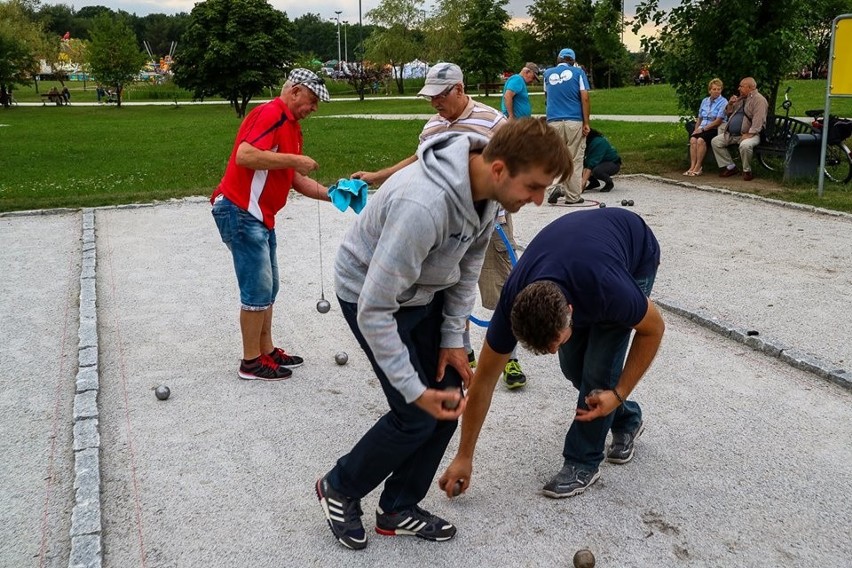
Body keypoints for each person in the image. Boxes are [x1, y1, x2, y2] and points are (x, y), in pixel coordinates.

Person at [316, 118, 572, 550]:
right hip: (372, 296)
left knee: (449, 396)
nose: (538, 199)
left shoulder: (490, 197)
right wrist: (413, 390)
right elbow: (375, 308)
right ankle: (339, 486)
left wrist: (454, 338)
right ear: (499, 168)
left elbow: (466, 268)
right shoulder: (424, 205)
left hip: (422, 292)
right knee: (415, 413)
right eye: (533, 186)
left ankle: (397, 506)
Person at [439, 208, 665, 501]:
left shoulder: (610, 290)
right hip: (581, 257)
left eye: (556, 342)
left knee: (598, 371)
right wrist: (464, 456)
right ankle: (627, 420)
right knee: (573, 367)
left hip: (634, 254)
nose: (552, 351)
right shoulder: (513, 302)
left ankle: (583, 461)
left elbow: (654, 329)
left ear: (570, 311)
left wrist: (619, 392)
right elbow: (482, 383)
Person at [352, 62, 529, 387]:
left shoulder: (493, 121)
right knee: (450, 289)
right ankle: (463, 347)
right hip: (446, 231)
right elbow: (417, 162)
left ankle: (509, 359)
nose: (434, 103)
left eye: (439, 95)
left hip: (489, 223)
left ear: (459, 89)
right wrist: (378, 176)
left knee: (501, 292)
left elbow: (516, 166)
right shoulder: (433, 126)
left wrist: (503, 202)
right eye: (429, 97)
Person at [211, 68, 332, 381]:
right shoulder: (271, 113)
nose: (314, 108)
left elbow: (295, 180)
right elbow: (245, 155)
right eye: (313, 100)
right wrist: (294, 160)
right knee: (256, 288)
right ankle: (250, 362)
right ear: (294, 92)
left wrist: (336, 196)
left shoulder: (292, 127)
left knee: (269, 286)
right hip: (239, 209)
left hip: (259, 215)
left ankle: (266, 350)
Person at [543, 48, 591, 205]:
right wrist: (586, 122)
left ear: (559, 59)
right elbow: (584, 97)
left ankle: (553, 187)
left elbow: (547, 96)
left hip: (553, 120)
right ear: (573, 60)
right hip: (573, 120)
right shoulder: (578, 73)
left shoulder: (547, 74)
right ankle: (573, 196)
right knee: (574, 158)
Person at [711, 77, 768, 181]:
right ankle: (730, 167)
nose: (738, 88)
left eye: (741, 86)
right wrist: (730, 104)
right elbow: (728, 114)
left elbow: (758, 120)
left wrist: (750, 133)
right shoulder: (741, 99)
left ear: (750, 87)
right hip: (733, 134)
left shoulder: (759, 100)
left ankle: (747, 171)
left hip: (752, 134)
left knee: (745, 145)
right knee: (715, 142)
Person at [684, 78, 727, 176]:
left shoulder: (723, 102)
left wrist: (703, 129)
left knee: (700, 140)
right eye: (714, 89)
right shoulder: (705, 101)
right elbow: (700, 117)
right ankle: (692, 166)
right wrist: (696, 129)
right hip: (702, 126)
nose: (716, 91)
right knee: (693, 140)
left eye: (719, 89)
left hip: (713, 128)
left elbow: (718, 120)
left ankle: (698, 166)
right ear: (710, 90)